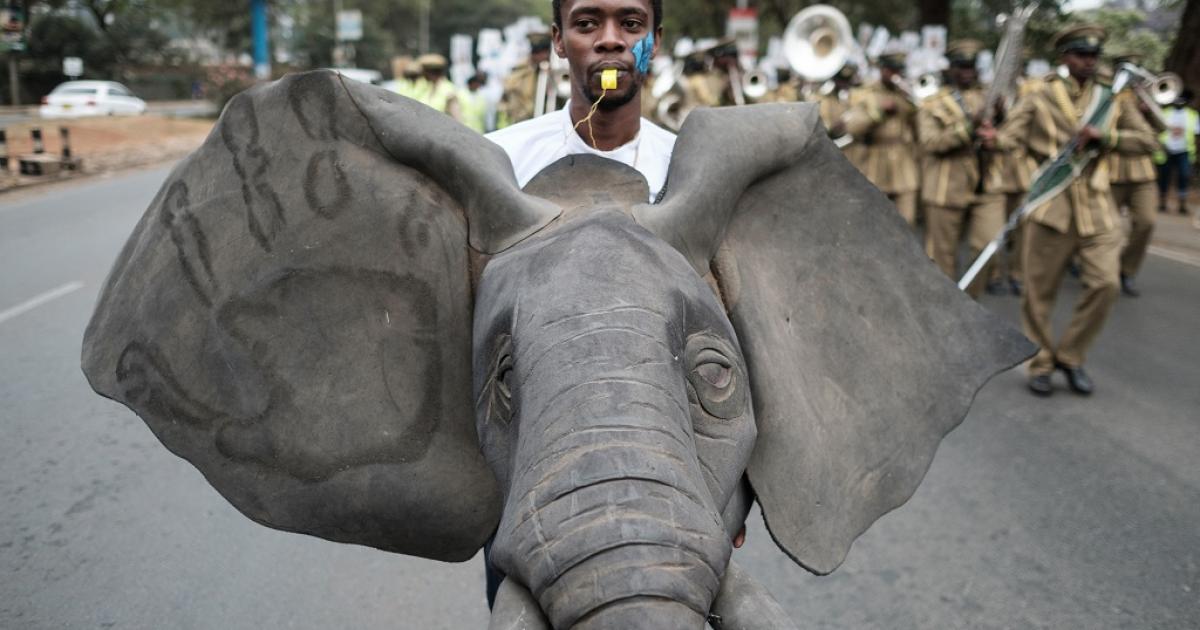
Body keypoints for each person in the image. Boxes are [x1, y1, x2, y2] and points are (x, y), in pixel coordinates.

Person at [993, 23, 1158, 396]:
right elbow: (1010, 138)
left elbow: (1149, 140)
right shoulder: (1039, 95)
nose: (1089, 62)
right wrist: (992, 138)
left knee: (1106, 283)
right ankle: (1041, 361)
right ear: (1065, 57)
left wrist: (1108, 137)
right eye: (1082, 55)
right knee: (1039, 293)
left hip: (1098, 207)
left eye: (1094, 56)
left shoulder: (1112, 97)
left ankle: (1070, 355)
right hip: (1051, 204)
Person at [486, 0, 676, 204]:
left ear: (655, 42)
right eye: (586, 24)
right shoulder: (501, 163)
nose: (610, 41)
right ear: (559, 41)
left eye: (631, 24)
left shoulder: (684, 169)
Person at [917, 39, 1006, 297]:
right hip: (945, 188)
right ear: (951, 69)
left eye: (971, 66)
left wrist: (999, 120)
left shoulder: (988, 96)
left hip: (986, 184)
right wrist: (968, 126)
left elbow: (1008, 137)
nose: (967, 71)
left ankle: (969, 302)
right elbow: (931, 142)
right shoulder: (932, 102)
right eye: (961, 66)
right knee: (941, 259)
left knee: (988, 248)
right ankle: (943, 309)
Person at [1105, 52, 1163, 297]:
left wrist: (1147, 110)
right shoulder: (1108, 93)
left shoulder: (1145, 97)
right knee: (1107, 228)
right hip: (1112, 168)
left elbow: (1161, 128)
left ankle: (1126, 271)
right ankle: (1100, 270)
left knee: (1146, 222)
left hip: (1143, 171)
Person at [843, 49, 920, 226]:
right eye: (891, 70)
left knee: (906, 223)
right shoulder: (864, 93)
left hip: (904, 164)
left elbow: (919, 128)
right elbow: (853, 127)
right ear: (882, 70)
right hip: (873, 162)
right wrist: (879, 112)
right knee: (873, 222)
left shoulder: (906, 95)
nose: (895, 75)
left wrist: (913, 101)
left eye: (899, 70)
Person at [498, 31, 555, 128]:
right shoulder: (520, 72)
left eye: (544, 53)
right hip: (522, 124)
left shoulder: (555, 72)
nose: (541, 57)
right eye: (536, 53)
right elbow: (507, 101)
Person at [1155, 89, 1198, 216]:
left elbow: (1196, 135)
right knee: (1163, 177)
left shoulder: (1192, 115)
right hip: (1166, 150)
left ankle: (1182, 205)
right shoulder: (1164, 112)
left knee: (1184, 177)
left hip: (1184, 151)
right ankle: (1162, 203)